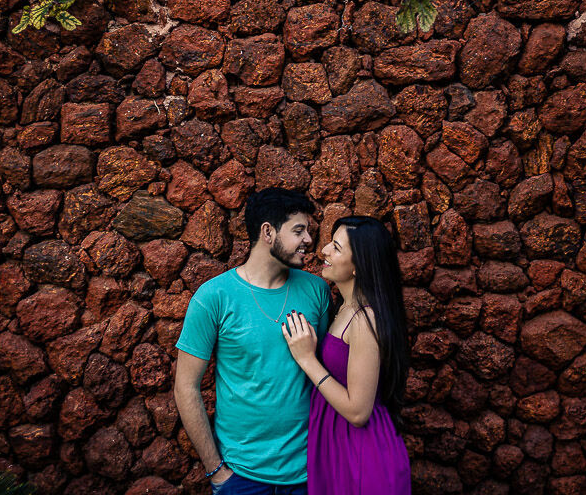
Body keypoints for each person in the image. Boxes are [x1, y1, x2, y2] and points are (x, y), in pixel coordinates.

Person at [174, 187, 331, 495]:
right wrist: (216, 471)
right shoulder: (214, 297)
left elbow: (327, 370)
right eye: (299, 230)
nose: (309, 240)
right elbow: (186, 386)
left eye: (308, 231)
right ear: (268, 232)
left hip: (309, 472)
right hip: (241, 477)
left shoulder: (317, 291)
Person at [281, 215, 412, 495]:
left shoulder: (365, 319)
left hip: (362, 458)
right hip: (340, 446)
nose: (324, 250)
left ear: (359, 266)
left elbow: (358, 411)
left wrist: (307, 359)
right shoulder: (343, 309)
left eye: (336, 248)